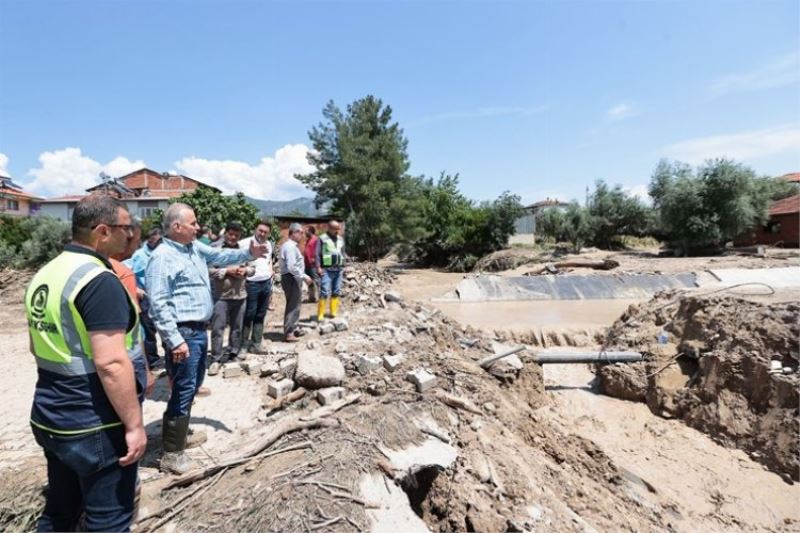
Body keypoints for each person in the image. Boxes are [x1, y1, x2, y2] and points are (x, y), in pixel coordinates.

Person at [25, 194, 146, 531]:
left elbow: (37, 347)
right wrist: (135, 426)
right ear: (103, 231)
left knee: (59, 513)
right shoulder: (97, 280)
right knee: (108, 521)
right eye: (126, 228)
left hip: (51, 415)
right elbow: (111, 364)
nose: (131, 234)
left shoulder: (47, 273)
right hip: (93, 422)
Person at [145, 203, 267, 474]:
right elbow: (158, 303)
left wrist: (248, 252)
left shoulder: (193, 248)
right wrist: (174, 340)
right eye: (193, 223)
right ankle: (172, 455)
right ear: (177, 227)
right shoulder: (163, 256)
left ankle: (179, 434)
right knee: (185, 387)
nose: (198, 227)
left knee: (192, 384)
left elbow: (219, 255)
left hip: (198, 330)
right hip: (183, 333)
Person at [110, 217, 155, 404]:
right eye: (136, 242)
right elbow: (135, 328)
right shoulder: (123, 272)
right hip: (126, 355)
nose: (137, 247)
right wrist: (146, 370)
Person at [207, 222, 253, 375]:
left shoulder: (243, 251)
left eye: (237, 235)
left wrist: (245, 270)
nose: (233, 237)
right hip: (221, 296)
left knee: (237, 327)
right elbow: (208, 270)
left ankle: (233, 353)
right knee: (217, 328)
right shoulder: (215, 249)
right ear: (225, 233)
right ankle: (216, 359)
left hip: (240, 295)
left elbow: (252, 268)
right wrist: (227, 271)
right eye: (231, 234)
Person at [126, 226, 162, 368]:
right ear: (150, 240)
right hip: (146, 296)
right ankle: (153, 361)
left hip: (163, 295)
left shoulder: (164, 252)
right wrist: (135, 288)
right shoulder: (139, 255)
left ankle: (172, 359)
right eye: (155, 240)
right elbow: (124, 270)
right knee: (149, 330)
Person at [239, 220, 274, 353]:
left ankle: (256, 344)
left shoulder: (269, 244)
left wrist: (270, 277)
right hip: (251, 284)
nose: (262, 233)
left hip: (265, 283)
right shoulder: (245, 243)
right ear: (255, 229)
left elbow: (268, 261)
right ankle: (243, 345)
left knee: (260, 314)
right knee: (249, 314)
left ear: (269, 233)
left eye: (265, 232)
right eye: (260, 230)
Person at [280, 223, 313, 342]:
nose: (303, 235)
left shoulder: (292, 246)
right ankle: (289, 333)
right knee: (292, 305)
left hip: (293, 277)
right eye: (301, 232)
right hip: (291, 278)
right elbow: (291, 267)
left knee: (296, 304)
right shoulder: (289, 247)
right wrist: (304, 277)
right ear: (294, 233)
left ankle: (294, 327)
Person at [316, 220, 346, 321]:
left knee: (336, 291)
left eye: (338, 229)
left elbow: (342, 252)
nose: (337, 231)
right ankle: (320, 314)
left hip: (338, 269)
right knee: (324, 291)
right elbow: (317, 254)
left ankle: (333, 312)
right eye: (335, 229)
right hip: (327, 269)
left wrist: (344, 265)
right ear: (329, 228)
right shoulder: (322, 238)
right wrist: (318, 267)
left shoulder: (340, 239)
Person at [303, 225, 319, 303]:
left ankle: (321, 298)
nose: (305, 232)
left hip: (313, 265)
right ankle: (312, 297)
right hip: (307, 264)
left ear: (310, 231)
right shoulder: (308, 240)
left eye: (306, 230)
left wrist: (315, 259)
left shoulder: (315, 239)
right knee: (309, 281)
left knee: (317, 281)